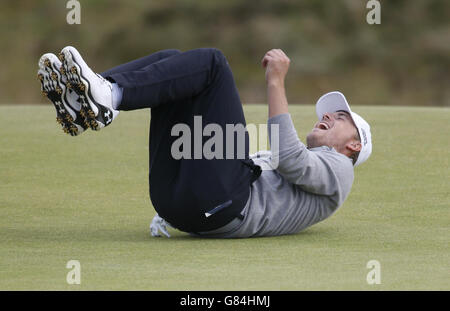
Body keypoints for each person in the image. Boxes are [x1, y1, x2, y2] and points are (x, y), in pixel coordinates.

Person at [37, 47, 372, 238]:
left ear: (353, 146)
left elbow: (290, 157)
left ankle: (108, 96)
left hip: (221, 206)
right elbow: (276, 159)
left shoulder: (342, 171)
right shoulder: (313, 169)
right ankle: (90, 100)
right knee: (173, 64)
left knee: (213, 65)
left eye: (341, 118)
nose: (329, 116)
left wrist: (276, 82)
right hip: (179, 204)